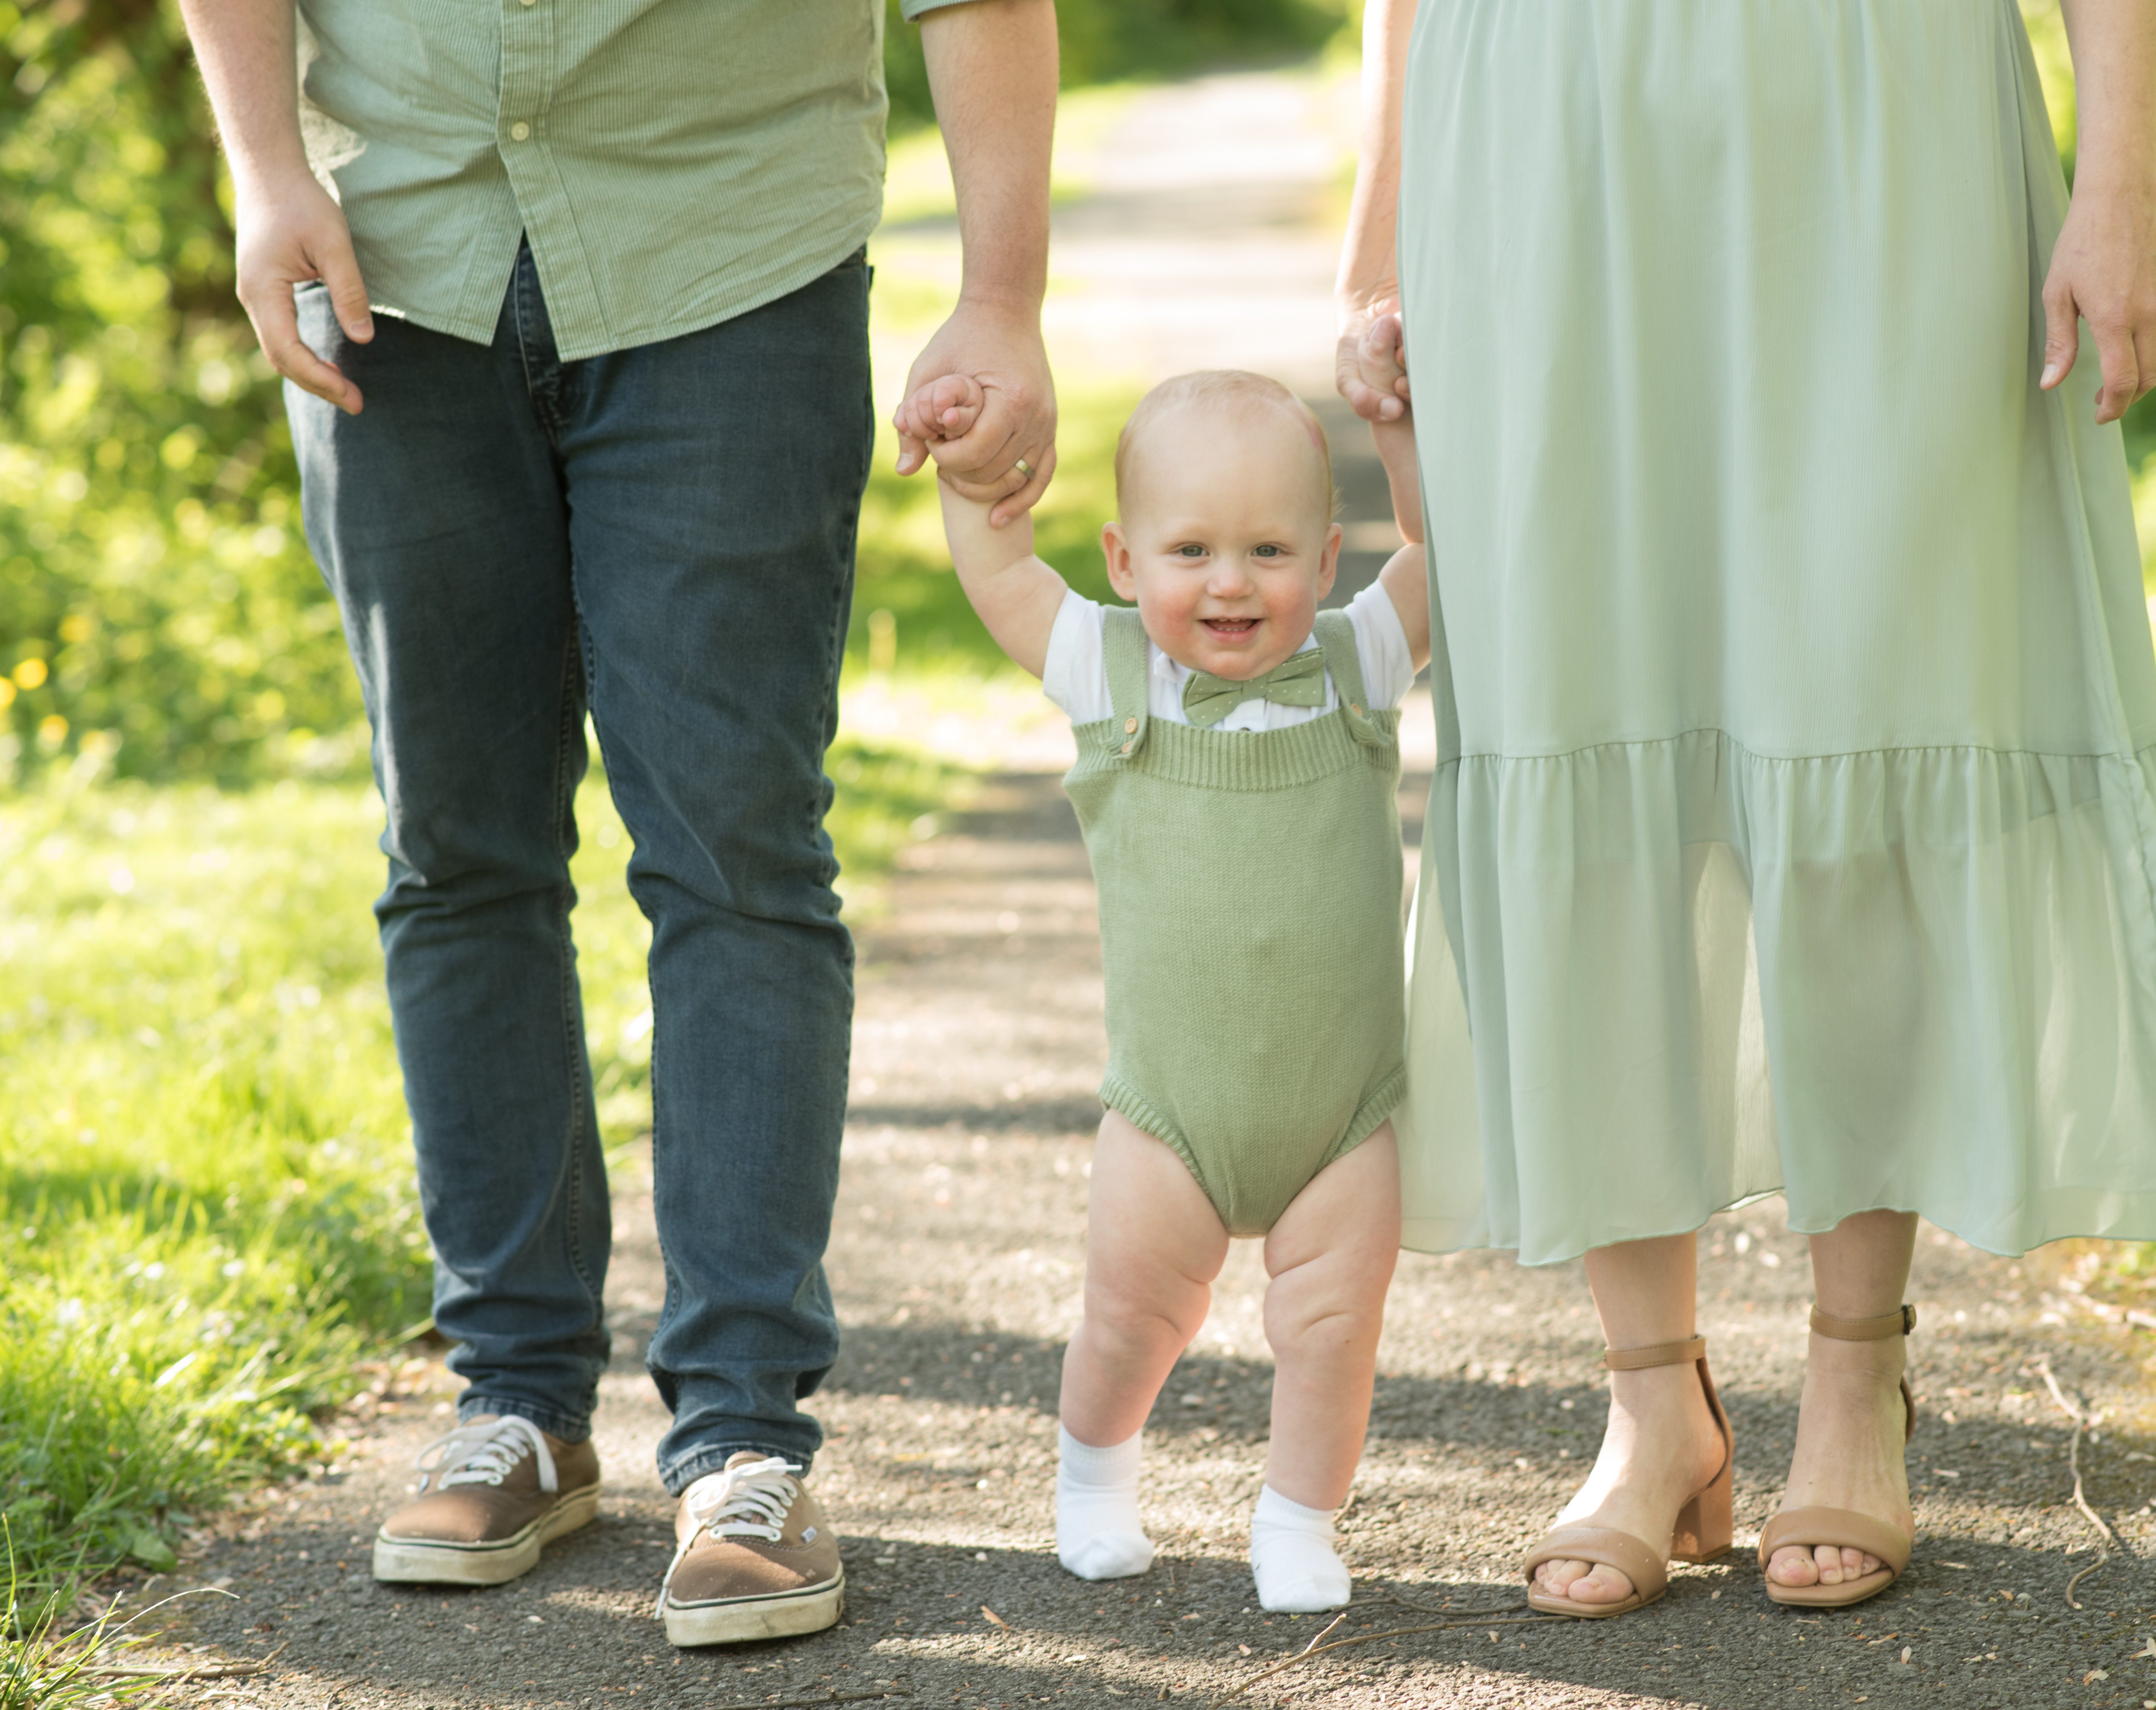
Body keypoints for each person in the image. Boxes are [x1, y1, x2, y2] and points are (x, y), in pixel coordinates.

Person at [1335, 0, 2156, 1616]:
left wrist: (2115, 172)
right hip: (1534, 130)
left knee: (1871, 707)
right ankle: (1652, 1403)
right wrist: (1378, 234)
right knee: (1580, 712)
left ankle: (1858, 1379)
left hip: (1879, 113)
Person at [175, 0, 1060, 1648]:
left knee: (736, 854)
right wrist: (263, 160)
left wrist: (1001, 297)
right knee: (456, 853)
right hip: (392, 252)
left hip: (727, 246)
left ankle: (741, 1440)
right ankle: (518, 1405)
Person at [930, 368, 1431, 1612]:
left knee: (1332, 1331)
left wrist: (1402, 432)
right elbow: (1000, 578)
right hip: (1169, 1116)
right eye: (1191, 549)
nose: (1230, 582)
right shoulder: (1112, 674)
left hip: (1341, 1114)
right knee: (1129, 1319)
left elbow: (1445, 558)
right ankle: (1094, 1483)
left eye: (1269, 550)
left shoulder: (1354, 663)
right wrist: (968, 473)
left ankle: (1298, 1521)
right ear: (1122, 556)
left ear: (1325, 557)